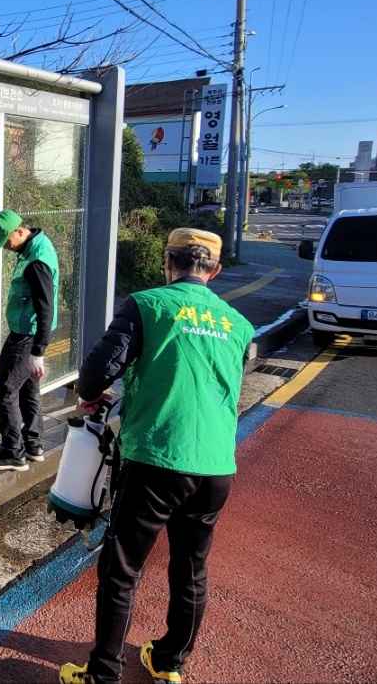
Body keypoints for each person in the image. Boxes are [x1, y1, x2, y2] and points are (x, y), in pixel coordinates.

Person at [58, 228, 252, 684]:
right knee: (190, 568)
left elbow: (98, 371)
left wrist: (91, 395)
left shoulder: (148, 304)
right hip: (216, 466)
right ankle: (168, 663)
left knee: (121, 569)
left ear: (169, 262)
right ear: (215, 271)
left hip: (157, 459)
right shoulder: (239, 325)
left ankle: (103, 675)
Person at [0, 209, 58, 471]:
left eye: (6, 241)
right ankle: (33, 445)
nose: (5, 247)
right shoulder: (35, 246)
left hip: (26, 337)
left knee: (5, 391)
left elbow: (45, 306)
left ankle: (13, 452)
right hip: (30, 334)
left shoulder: (36, 261)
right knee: (28, 390)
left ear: (19, 231)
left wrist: (38, 350)